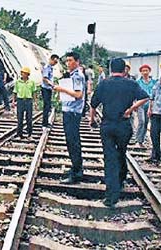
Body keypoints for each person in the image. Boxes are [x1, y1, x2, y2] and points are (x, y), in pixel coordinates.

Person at [89, 58, 149, 208]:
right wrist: (130, 110)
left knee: (110, 158)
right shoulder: (131, 84)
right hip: (124, 126)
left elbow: (93, 104)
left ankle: (111, 196)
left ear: (111, 69)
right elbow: (145, 97)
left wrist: (92, 119)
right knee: (121, 153)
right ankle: (121, 179)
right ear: (124, 70)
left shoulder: (104, 84)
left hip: (108, 125)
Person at [53, 52, 85, 184]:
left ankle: (77, 172)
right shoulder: (73, 75)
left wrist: (62, 89)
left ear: (77, 62)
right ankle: (75, 168)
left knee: (73, 142)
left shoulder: (77, 75)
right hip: (69, 111)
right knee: (71, 142)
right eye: (67, 61)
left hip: (73, 113)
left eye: (70, 60)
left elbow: (78, 94)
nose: (68, 63)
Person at [13, 66, 37, 140]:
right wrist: (14, 101)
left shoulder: (32, 82)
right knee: (20, 118)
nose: (23, 74)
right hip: (20, 100)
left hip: (28, 101)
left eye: (25, 73)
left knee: (29, 118)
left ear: (27, 74)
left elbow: (34, 92)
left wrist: (35, 101)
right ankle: (19, 135)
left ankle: (29, 135)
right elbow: (15, 92)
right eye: (22, 73)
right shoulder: (17, 82)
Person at [135, 64, 156, 147]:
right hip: (140, 103)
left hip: (150, 104)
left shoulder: (154, 82)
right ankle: (137, 140)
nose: (145, 72)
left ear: (149, 71)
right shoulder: (138, 82)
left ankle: (141, 141)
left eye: (146, 70)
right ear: (141, 72)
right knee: (141, 121)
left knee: (146, 122)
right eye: (143, 71)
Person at [41, 54, 60, 129]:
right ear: (51, 59)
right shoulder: (46, 67)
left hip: (48, 89)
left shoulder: (51, 68)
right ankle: (44, 123)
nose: (55, 64)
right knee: (46, 106)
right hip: (45, 89)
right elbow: (44, 79)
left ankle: (45, 122)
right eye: (55, 62)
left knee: (48, 106)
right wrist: (52, 85)